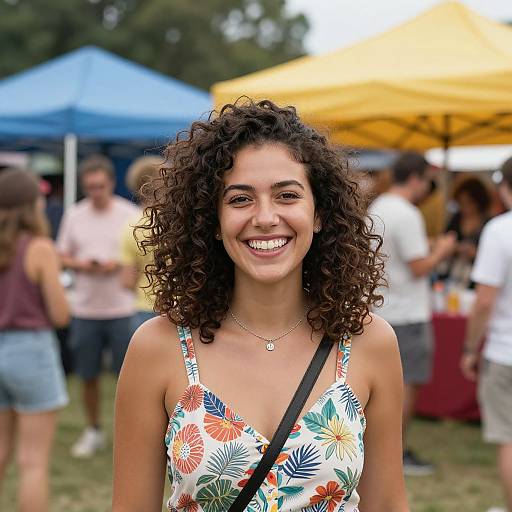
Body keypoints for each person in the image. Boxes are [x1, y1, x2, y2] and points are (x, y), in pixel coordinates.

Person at [112, 100, 409, 511]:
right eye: (240, 199)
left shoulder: (369, 341)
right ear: (211, 220)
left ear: (319, 213)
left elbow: (389, 504)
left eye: (287, 195)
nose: (266, 217)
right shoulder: (157, 347)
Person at [369, 151, 456, 476]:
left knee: (382, 392)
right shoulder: (407, 213)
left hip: (381, 308)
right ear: (417, 178)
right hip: (407, 312)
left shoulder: (377, 207)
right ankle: (397, 453)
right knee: (405, 388)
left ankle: (383, 451)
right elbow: (420, 266)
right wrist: (443, 251)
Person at [56, 154, 139, 458]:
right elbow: (61, 255)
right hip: (86, 309)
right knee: (87, 374)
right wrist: (83, 265)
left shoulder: (129, 213)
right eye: (90, 187)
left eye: (100, 186)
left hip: (123, 308)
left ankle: (131, 434)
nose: (95, 192)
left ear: (111, 184)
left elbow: (139, 256)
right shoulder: (75, 215)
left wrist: (114, 265)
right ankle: (93, 429)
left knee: (129, 379)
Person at [0, 169, 69, 512]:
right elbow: (60, 315)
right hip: (30, 350)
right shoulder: (39, 248)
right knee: (33, 462)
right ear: (33, 205)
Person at [460, 158, 512, 512]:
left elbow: (484, 301)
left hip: (505, 349)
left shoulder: (500, 230)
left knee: (509, 439)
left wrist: (468, 347)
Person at [119, 155, 162, 331]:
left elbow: (127, 281)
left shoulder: (131, 227)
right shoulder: (180, 223)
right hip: (179, 307)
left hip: (144, 308)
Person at [442, 177, 492, 288]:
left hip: (477, 278)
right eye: (461, 202)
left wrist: (475, 253)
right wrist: (455, 248)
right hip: (453, 276)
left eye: (469, 203)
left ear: (478, 202)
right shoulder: (456, 219)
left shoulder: (489, 224)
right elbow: (444, 240)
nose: (465, 207)